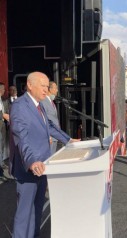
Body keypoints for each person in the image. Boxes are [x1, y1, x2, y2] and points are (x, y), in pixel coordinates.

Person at [9, 72, 79, 238]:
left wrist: (68, 140)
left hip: (43, 165)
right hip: (29, 167)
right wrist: (32, 161)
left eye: (48, 86)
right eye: (43, 86)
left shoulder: (39, 105)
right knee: (25, 213)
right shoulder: (19, 106)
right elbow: (21, 137)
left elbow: (50, 126)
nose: (46, 90)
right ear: (30, 85)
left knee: (37, 207)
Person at [39, 81, 60, 153]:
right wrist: (48, 135)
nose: (57, 90)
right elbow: (43, 119)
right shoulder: (43, 101)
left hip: (55, 135)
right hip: (49, 136)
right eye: (56, 88)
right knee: (48, 159)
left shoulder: (51, 101)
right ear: (50, 89)